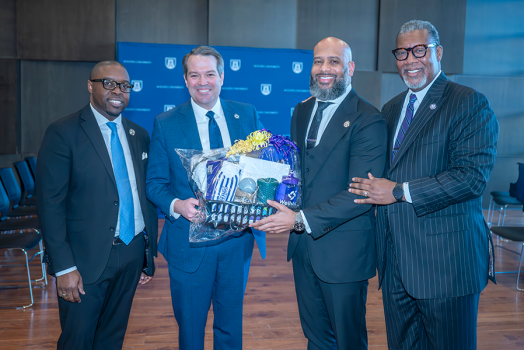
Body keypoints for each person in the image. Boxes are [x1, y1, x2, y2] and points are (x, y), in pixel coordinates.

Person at [349, 20, 498, 349]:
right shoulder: (390, 109)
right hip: (397, 267)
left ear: (438, 52)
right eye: (402, 52)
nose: (410, 59)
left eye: (420, 50)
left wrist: (399, 191)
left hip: (446, 266)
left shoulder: (468, 103)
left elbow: (470, 178)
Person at [251, 37, 387, 349]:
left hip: (343, 255)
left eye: (334, 61)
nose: (324, 69)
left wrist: (297, 219)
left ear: (349, 68)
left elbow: (360, 195)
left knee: (347, 342)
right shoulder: (301, 110)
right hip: (303, 250)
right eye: (318, 61)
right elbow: (300, 175)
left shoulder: (368, 119)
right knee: (316, 338)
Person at [146, 45, 265, 350]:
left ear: (222, 76)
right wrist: (178, 205)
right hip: (189, 244)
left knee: (230, 328)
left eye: (210, 73)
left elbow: (264, 171)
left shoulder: (247, 114)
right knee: (190, 330)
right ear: (185, 80)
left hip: (237, 242)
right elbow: (155, 184)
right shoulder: (166, 123)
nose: (203, 81)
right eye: (195, 75)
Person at [36, 61, 158, 350]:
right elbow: (50, 204)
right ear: (90, 86)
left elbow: (143, 196)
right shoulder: (63, 132)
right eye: (109, 83)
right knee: (77, 340)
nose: (118, 91)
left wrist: (145, 255)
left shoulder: (138, 135)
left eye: (125, 86)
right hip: (83, 260)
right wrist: (64, 267)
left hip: (130, 253)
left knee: (111, 339)